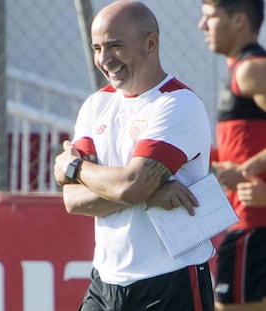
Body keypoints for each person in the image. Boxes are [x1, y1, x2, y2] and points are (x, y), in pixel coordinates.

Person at [54, 1, 214, 310]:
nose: (104, 59)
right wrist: (145, 194)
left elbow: (131, 185)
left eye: (115, 46)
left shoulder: (178, 104)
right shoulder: (96, 105)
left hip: (171, 280)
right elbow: (72, 200)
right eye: (97, 47)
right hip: (104, 282)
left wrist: (73, 167)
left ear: (150, 43)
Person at [199, 0, 266, 310]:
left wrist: (246, 169)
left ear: (239, 20)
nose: (202, 26)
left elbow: (244, 163)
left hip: (255, 227)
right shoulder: (240, 70)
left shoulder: (252, 70)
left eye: (210, 17)